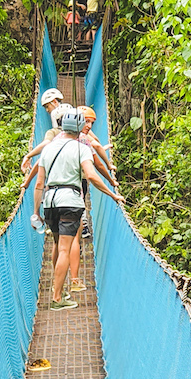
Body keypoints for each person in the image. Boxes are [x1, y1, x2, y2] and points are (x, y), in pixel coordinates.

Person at [34, 110, 123, 310]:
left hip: (50, 202)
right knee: (65, 248)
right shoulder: (81, 147)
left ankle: (60, 290)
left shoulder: (48, 149)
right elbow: (91, 175)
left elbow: (39, 182)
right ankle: (57, 298)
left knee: (58, 246)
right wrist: (112, 194)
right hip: (70, 201)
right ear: (79, 128)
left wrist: (36, 212)